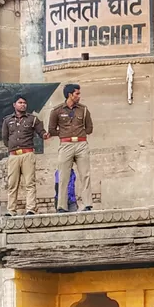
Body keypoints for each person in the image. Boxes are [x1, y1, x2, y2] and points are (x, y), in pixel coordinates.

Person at [48, 83, 93, 213]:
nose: (79, 96)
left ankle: (87, 204)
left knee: (85, 174)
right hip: (66, 144)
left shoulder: (83, 110)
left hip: (81, 143)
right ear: (70, 95)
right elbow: (51, 129)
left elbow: (89, 128)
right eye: (77, 93)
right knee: (63, 176)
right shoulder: (57, 111)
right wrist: (63, 134)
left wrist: (81, 133)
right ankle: (62, 205)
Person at [1, 96, 47, 216]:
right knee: (12, 184)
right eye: (20, 102)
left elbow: (41, 132)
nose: (23, 105)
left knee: (30, 183)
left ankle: (30, 208)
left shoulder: (32, 119)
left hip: (27, 153)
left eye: (24, 103)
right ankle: (11, 210)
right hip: (14, 155)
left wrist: (45, 135)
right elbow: (5, 138)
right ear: (14, 105)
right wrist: (12, 147)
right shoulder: (7, 120)